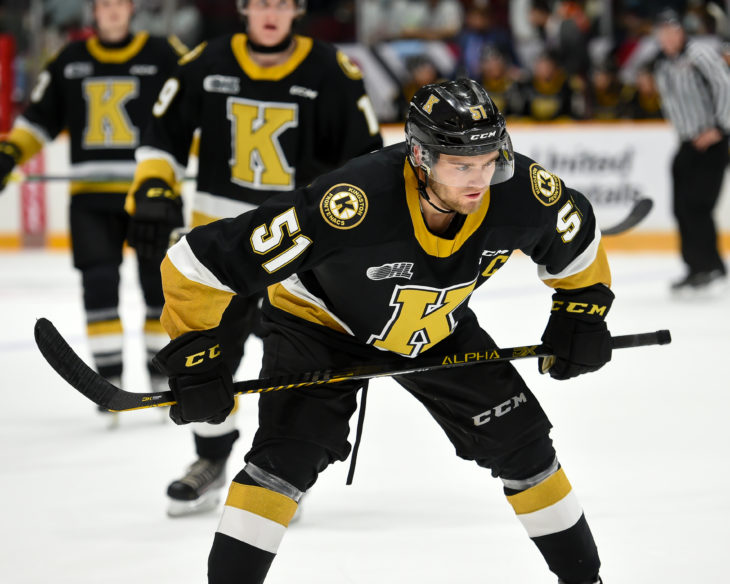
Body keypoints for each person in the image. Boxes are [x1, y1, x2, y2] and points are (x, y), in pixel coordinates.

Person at [153, 79, 611, 584]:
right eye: (461, 165)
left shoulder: (519, 190)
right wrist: (194, 357)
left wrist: (581, 311)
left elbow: (576, 232)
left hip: (435, 325)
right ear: (419, 155)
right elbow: (196, 264)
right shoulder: (351, 203)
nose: (479, 180)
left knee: (526, 449)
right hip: (321, 325)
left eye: (489, 161)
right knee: (284, 461)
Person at [125, 0, 383, 516]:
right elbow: (162, 135)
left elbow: (366, 159)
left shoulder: (331, 70)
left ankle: (279, 471)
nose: (271, 12)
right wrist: (154, 186)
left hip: (297, 247)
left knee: (296, 361)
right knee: (204, 357)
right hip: (221, 250)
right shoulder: (206, 61)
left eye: (282, 3)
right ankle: (211, 459)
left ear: (298, 10)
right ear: (244, 8)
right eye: (261, 1)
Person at [0, 0, 186, 413]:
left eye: (120, 3)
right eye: (105, 4)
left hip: (151, 194)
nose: (113, 11)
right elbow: (39, 119)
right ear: (94, 12)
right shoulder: (70, 60)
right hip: (90, 198)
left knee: (161, 286)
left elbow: (192, 111)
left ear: (131, 9)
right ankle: (107, 382)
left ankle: (161, 374)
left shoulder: (164, 54)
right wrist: (10, 152)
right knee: (98, 284)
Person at [652, 8, 730, 293]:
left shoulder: (700, 55)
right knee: (681, 208)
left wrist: (720, 128)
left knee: (698, 207)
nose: (666, 39)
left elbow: (725, 87)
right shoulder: (663, 64)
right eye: (661, 34)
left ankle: (709, 267)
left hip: (711, 143)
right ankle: (695, 267)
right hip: (686, 144)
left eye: (670, 32)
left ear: (680, 32)